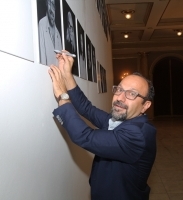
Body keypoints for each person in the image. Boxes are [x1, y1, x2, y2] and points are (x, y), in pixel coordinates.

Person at [48, 51, 156, 200]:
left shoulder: (136, 135)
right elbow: (87, 109)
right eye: (119, 89)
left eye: (131, 94)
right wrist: (67, 75)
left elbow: (85, 136)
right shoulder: (122, 120)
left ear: (145, 106)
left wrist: (62, 95)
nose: (120, 98)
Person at [38, 0, 62, 66]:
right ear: (46, 4)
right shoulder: (42, 24)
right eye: (49, 3)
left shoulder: (58, 34)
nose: (51, 9)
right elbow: (42, 57)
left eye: (53, 5)